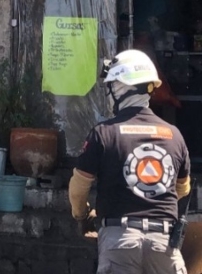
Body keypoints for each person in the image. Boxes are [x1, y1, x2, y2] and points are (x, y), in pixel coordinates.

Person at [71, 49, 191, 273]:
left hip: (119, 243)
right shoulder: (174, 135)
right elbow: (182, 189)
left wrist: (82, 214)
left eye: (111, 86)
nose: (110, 93)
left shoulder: (103, 133)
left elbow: (79, 188)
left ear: (120, 87)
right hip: (164, 245)